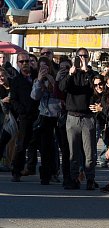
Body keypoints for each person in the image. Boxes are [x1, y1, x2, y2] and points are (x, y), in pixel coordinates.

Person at [58, 47, 97, 189]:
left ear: (89, 57)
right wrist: (70, 74)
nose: (82, 59)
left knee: (89, 153)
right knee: (73, 152)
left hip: (87, 117)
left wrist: (87, 71)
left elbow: (96, 88)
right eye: (80, 56)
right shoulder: (70, 73)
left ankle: (90, 179)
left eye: (85, 56)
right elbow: (62, 88)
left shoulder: (92, 73)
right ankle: (74, 178)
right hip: (72, 117)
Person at [30, 56, 63, 185]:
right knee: (45, 148)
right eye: (41, 67)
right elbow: (34, 96)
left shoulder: (56, 79)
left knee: (57, 147)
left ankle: (56, 171)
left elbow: (60, 95)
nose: (44, 69)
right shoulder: (37, 81)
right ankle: (45, 175)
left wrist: (53, 83)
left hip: (57, 116)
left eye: (46, 66)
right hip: (44, 116)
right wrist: (39, 81)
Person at [9, 51, 39, 183]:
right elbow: (13, 99)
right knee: (21, 145)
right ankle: (17, 171)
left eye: (27, 61)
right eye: (22, 62)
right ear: (18, 64)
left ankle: (45, 172)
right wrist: (21, 111)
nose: (25, 64)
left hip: (40, 114)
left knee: (43, 144)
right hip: (25, 116)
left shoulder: (37, 76)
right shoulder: (16, 80)